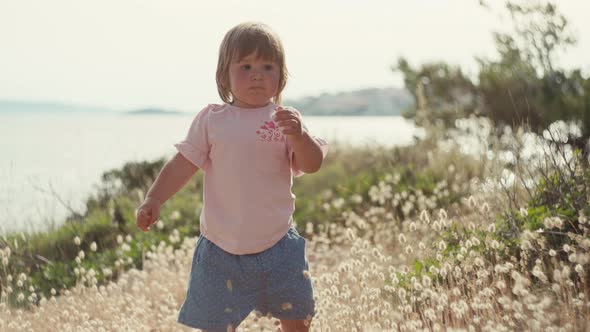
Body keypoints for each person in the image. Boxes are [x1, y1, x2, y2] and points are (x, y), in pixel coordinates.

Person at [135, 22, 329, 332]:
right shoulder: (212, 119)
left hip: (278, 244)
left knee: (298, 320)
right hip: (220, 249)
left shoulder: (284, 120)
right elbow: (183, 164)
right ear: (224, 75)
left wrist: (300, 135)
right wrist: (155, 198)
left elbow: (312, 163)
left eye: (268, 66)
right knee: (215, 325)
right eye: (246, 66)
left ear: (281, 77)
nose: (257, 74)